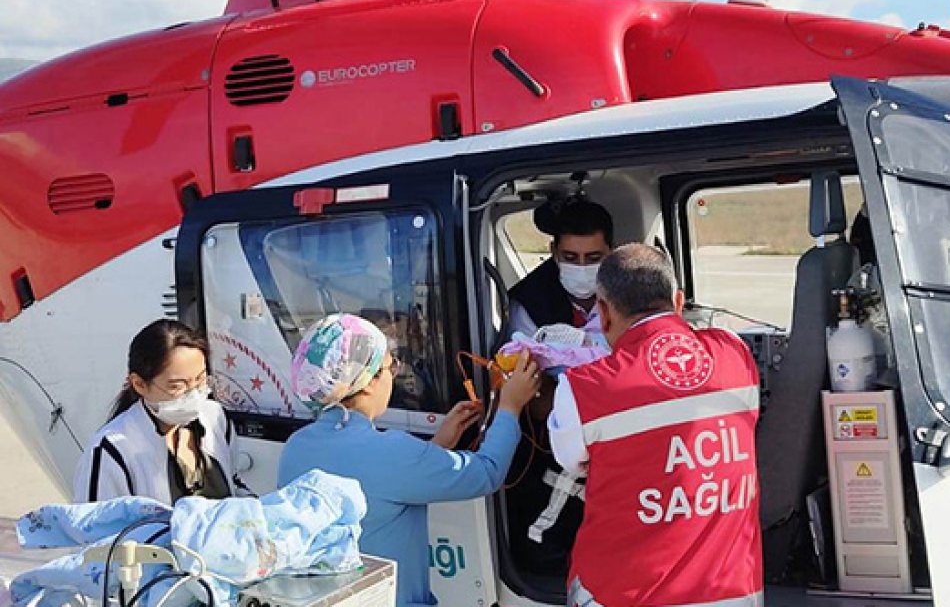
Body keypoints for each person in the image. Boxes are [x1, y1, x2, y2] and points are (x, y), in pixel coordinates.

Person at [548, 244, 764, 606]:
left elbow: (572, 461)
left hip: (621, 595)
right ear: (678, 302)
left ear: (602, 313)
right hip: (734, 595)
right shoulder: (735, 354)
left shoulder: (583, 388)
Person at [276, 314, 541, 607]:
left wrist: (437, 445)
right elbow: (486, 473)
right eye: (391, 366)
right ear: (367, 382)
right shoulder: (392, 452)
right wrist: (510, 407)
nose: (395, 373)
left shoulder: (296, 448)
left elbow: (380, 483)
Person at [73, 319, 252, 503]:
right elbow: (95, 526)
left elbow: (234, 482)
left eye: (200, 380)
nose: (194, 395)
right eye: (177, 386)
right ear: (139, 384)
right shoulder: (112, 450)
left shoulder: (214, 418)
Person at [508, 196, 614, 337]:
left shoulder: (631, 295)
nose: (581, 267)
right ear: (554, 251)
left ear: (611, 252)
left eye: (593, 258)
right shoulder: (529, 305)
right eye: (570, 258)